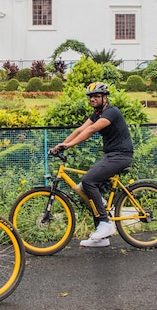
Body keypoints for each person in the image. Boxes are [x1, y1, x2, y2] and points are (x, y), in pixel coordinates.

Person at [51, 81, 135, 248]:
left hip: (121, 156)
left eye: (96, 96)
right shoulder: (96, 115)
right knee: (84, 188)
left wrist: (69, 146)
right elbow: (79, 130)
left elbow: (90, 131)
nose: (93, 99)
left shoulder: (112, 113)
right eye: (91, 97)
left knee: (89, 181)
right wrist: (60, 145)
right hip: (110, 155)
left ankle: (105, 224)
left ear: (105, 98)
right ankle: (101, 235)